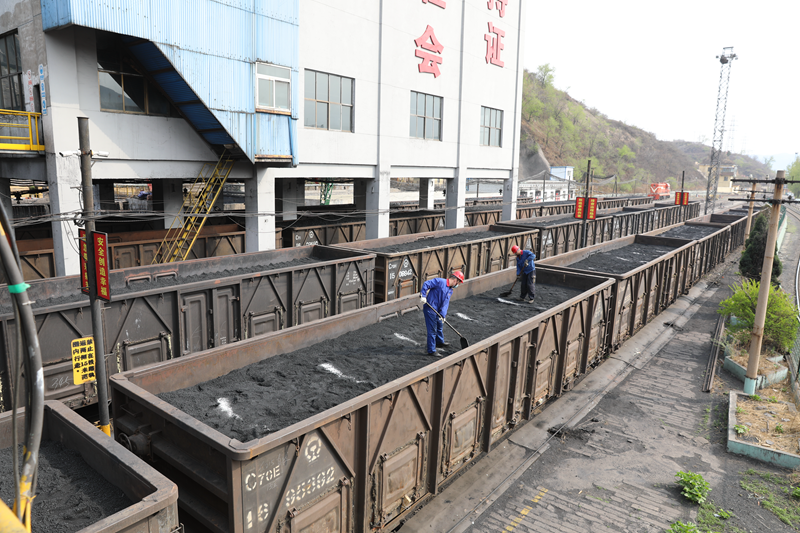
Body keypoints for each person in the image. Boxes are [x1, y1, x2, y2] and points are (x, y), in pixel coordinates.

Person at [420, 271, 464, 356]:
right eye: (458, 283)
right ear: (455, 280)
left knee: (439, 325)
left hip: (438, 311)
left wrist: (443, 315)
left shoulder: (450, 290)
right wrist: (423, 296)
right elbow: (426, 284)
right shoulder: (440, 281)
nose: (457, 285)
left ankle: (439, 342)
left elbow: (445, 304)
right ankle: (431, 350)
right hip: (430, 309)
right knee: (432, 330)